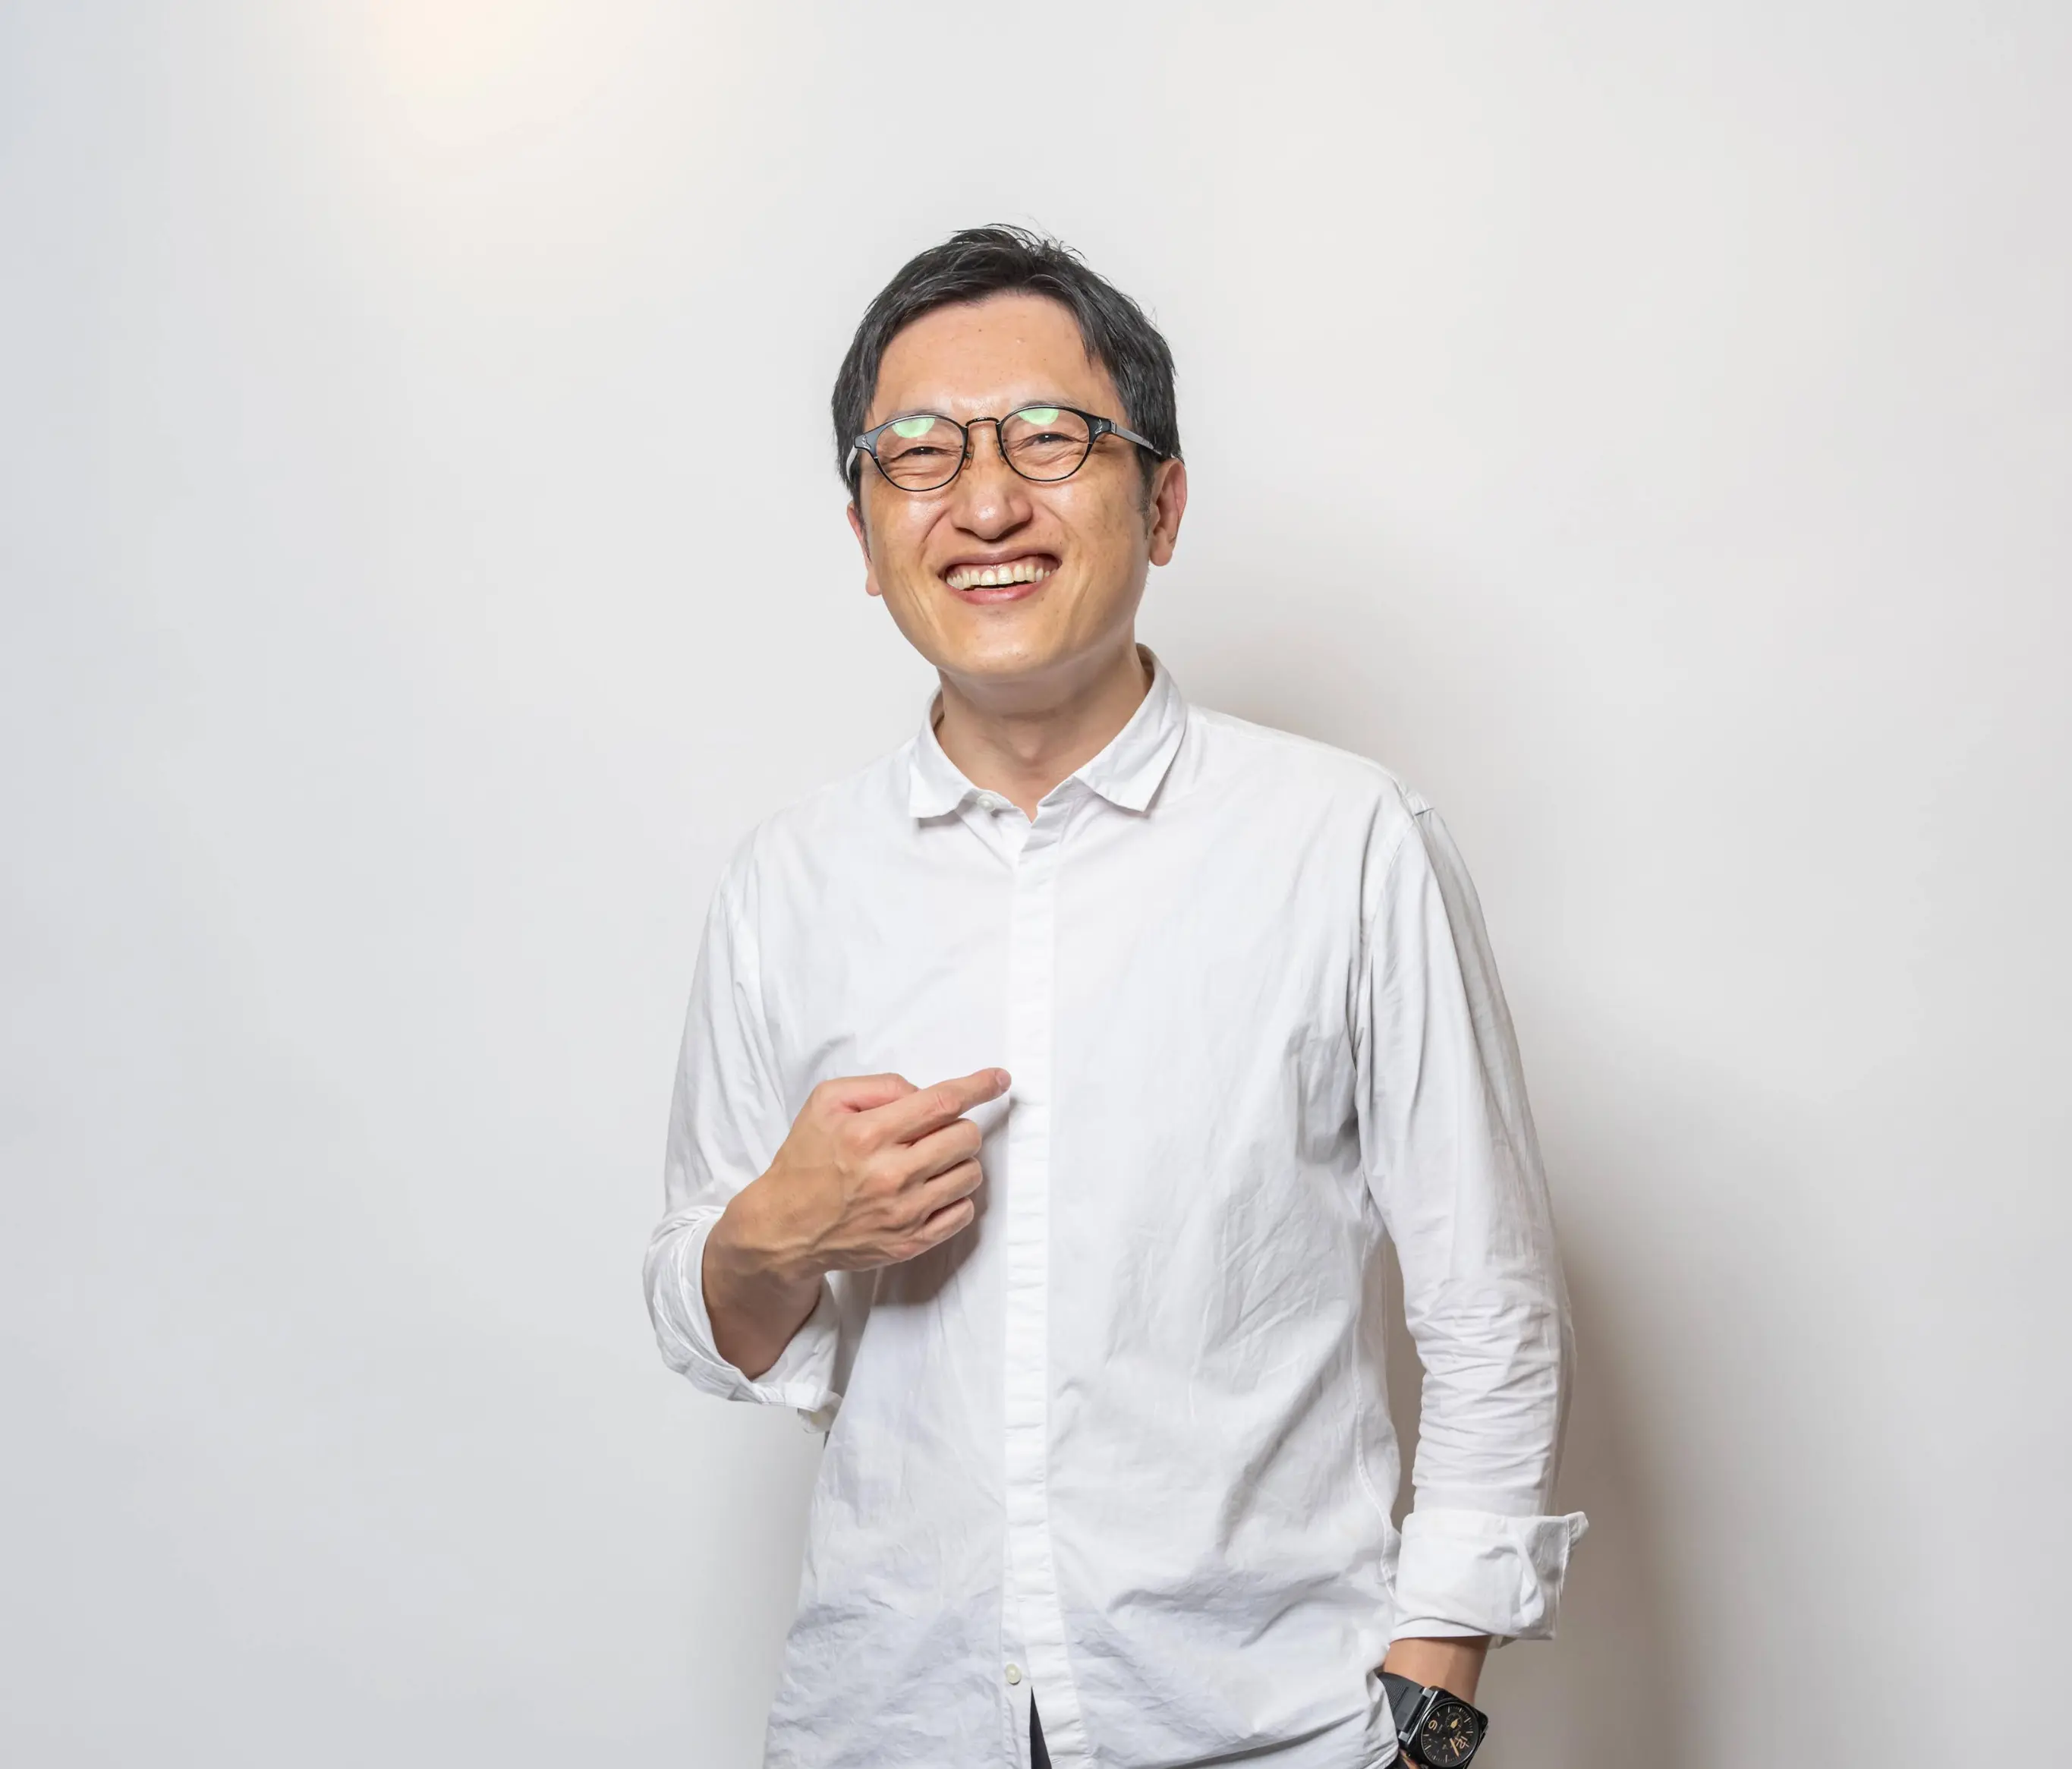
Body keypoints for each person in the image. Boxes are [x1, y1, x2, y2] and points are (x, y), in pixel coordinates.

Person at [644, 225, 1588, 1769]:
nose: (988, 501)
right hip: (888, 1720)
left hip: (1266, 1729)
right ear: (866, 525)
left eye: (1049, 438)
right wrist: (773, 1231)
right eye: (923, 454)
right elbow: (723, 1321)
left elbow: (1489, 1308)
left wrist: (1426, 1721)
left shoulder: (1349, 845)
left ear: (1161, 498)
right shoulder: (787, 885)